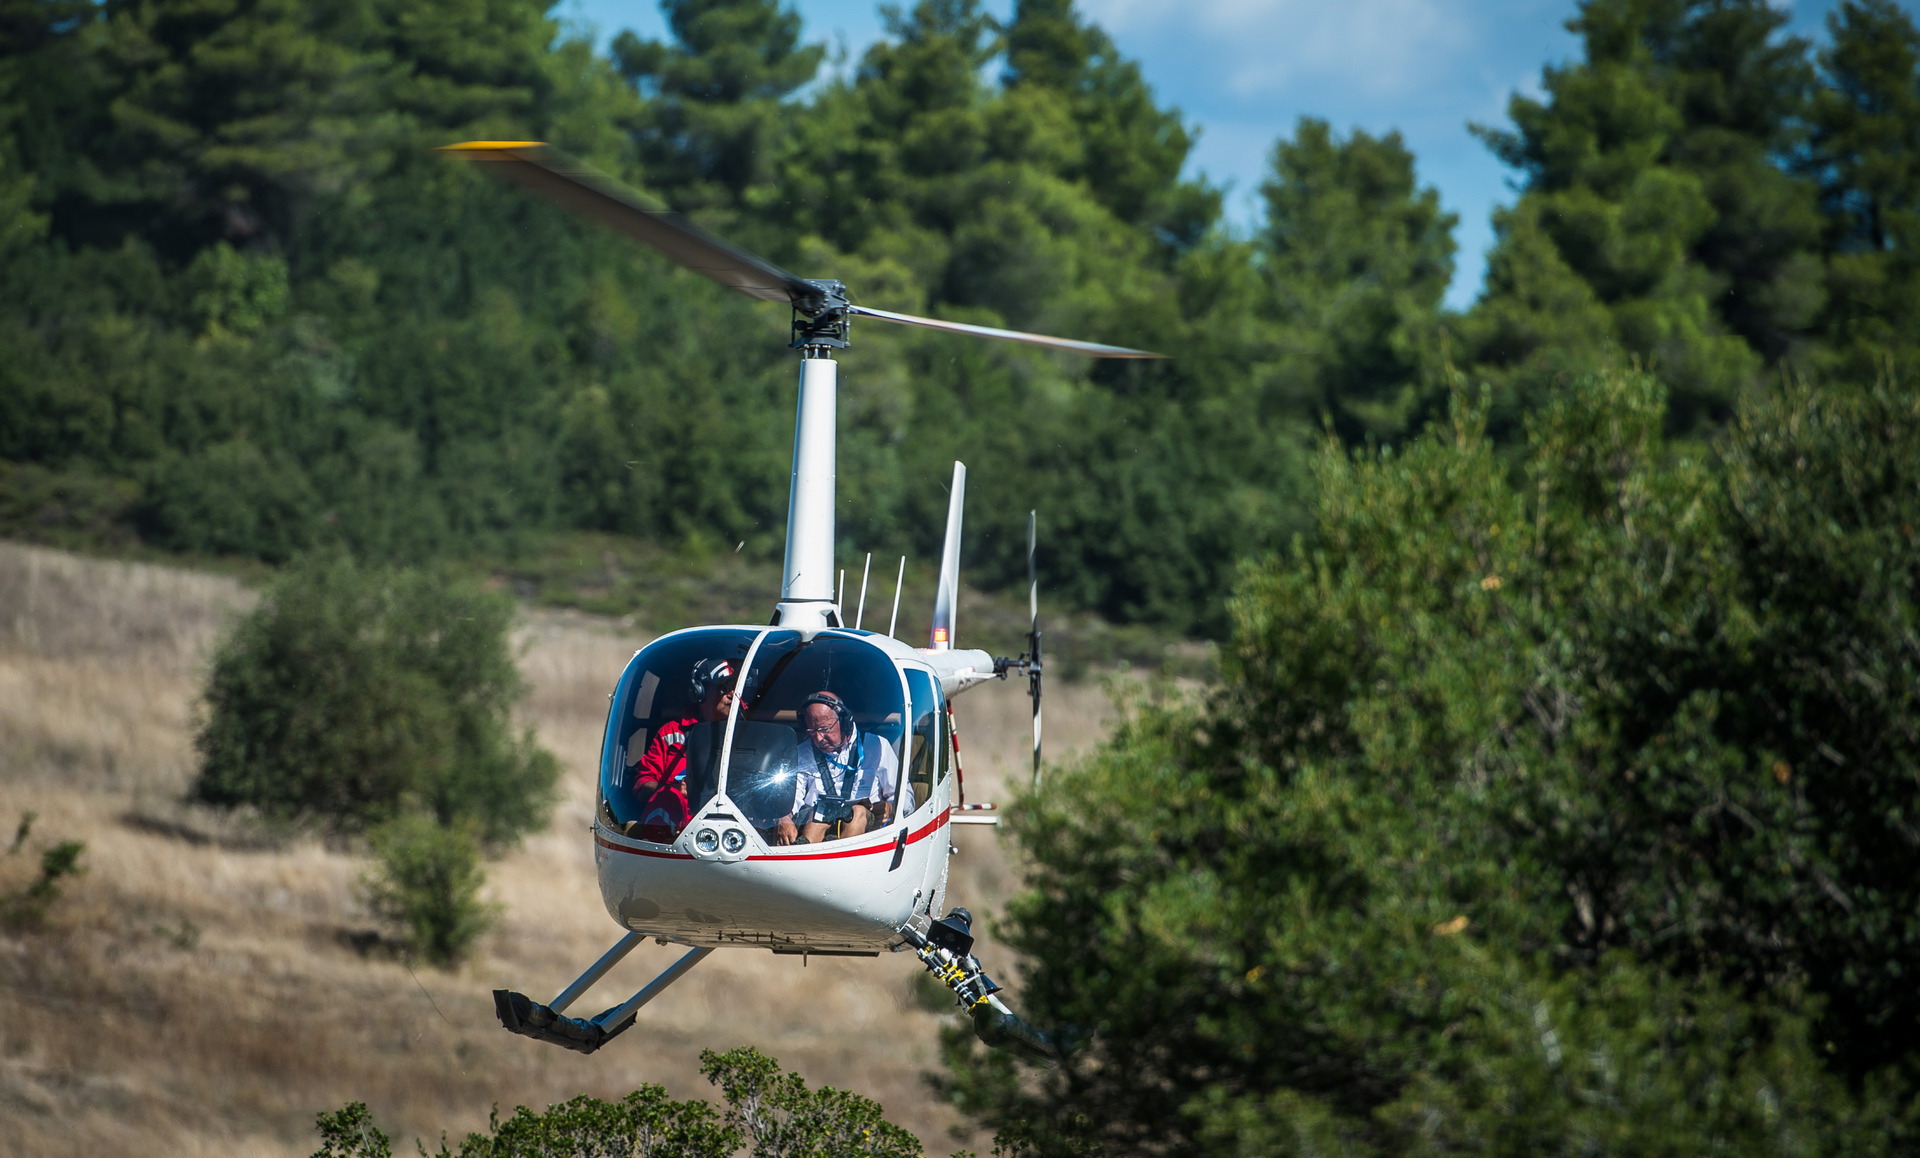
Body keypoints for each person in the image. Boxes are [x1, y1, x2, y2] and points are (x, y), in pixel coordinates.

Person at [628, 657, 739, 842]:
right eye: (723, 689)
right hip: (675, 836)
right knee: (667, 797)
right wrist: (673, 789)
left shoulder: (745, 734)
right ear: (700, 692)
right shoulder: (671, 733)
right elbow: (642, 785)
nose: (731, 694)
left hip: (731, 830)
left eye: (733, 688)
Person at [791, 690, 905, 842]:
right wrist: (784, 818)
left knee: (858, 812)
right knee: (817, 815)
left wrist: (890, 807)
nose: (818, 738)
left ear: (844, 721)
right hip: (815, 818)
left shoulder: (877, 747)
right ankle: (806, 854)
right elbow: (792, 799)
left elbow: (905, 799)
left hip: (865, 827)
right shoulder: (803, 752)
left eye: (825, 729)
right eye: (812, 731)